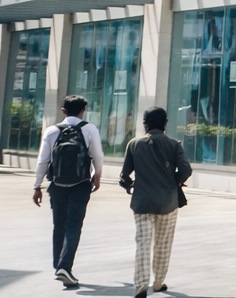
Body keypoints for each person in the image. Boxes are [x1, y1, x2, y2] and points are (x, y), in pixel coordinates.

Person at [32, 95, 105, 288]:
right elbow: (98, 155)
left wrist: (37, 186)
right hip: (80, 184)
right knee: (73, 226)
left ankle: (59, 266)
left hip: (57, 185)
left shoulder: (51, 130)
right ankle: (65, 267)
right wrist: (97, 176)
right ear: (83, 110)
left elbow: (43, 161)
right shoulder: (89, 129)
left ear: (63, 110)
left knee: (59, 226)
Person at [119, 107, 192, 298]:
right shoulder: (174, 145)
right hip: (168, 202)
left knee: (142, 243)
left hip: (142, 202)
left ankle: (141, 284)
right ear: (165, 123)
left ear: (144, 124)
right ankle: (158, 282)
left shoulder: (134, 144)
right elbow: (186, 170)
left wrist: (128, 184)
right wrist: (174, 181)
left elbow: (124, 175)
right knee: (163, 243)